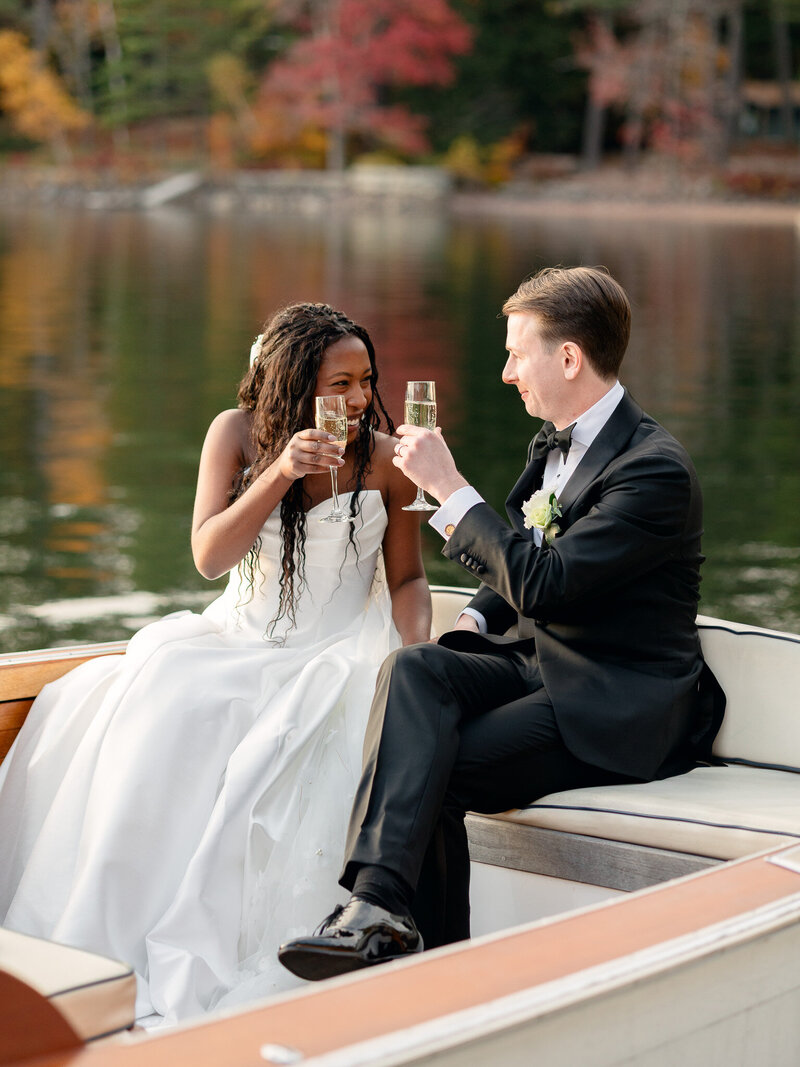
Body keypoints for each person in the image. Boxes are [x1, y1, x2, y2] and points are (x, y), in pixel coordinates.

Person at [277, 266, 724, 981]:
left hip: (616, 700)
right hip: (538, 666)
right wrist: (472, 628)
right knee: (416, 666)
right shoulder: (554, 442)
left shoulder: (653, 471)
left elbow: (544, 580)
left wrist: (449, 487)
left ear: (569, 357)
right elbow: (516, 558)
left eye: (519, 353)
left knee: (438, 763)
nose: (508, 372)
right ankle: (379, 909)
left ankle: (434, 966)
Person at [0, 302, 431, 1024]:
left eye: (367, 380)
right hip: (232, 638)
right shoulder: (234, 435)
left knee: (289, 741)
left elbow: (410, 581)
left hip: (334, 652)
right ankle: (100, 947)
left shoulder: (386, 461)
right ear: (295, 385)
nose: (359, 400)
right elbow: (208, 557)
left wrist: (413, 654)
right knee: (160, 703)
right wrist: (280, 472)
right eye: (341, 384)